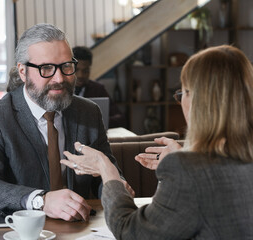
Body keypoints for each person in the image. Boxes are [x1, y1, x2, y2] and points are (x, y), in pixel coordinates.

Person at [61, 45, 253, 239]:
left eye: (183, 92)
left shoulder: (190, 171)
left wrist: (107, 170)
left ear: (199, 101)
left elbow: (129, 231)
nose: (181, 101)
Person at [0, 23, 120, 222]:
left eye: (66, 66)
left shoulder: (88, 112)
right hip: (19, 228)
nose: (59, 78)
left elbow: (103, 176)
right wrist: (41, 200)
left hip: (80, 228)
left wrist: (116, 186)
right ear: (22, 72)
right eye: (46, 68)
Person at [72, 46, 126, 128]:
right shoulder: (61, 90)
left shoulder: (98, 89)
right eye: (76, 70)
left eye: (85, 71)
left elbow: (120, 118)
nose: (81, 75)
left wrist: (96, 122)